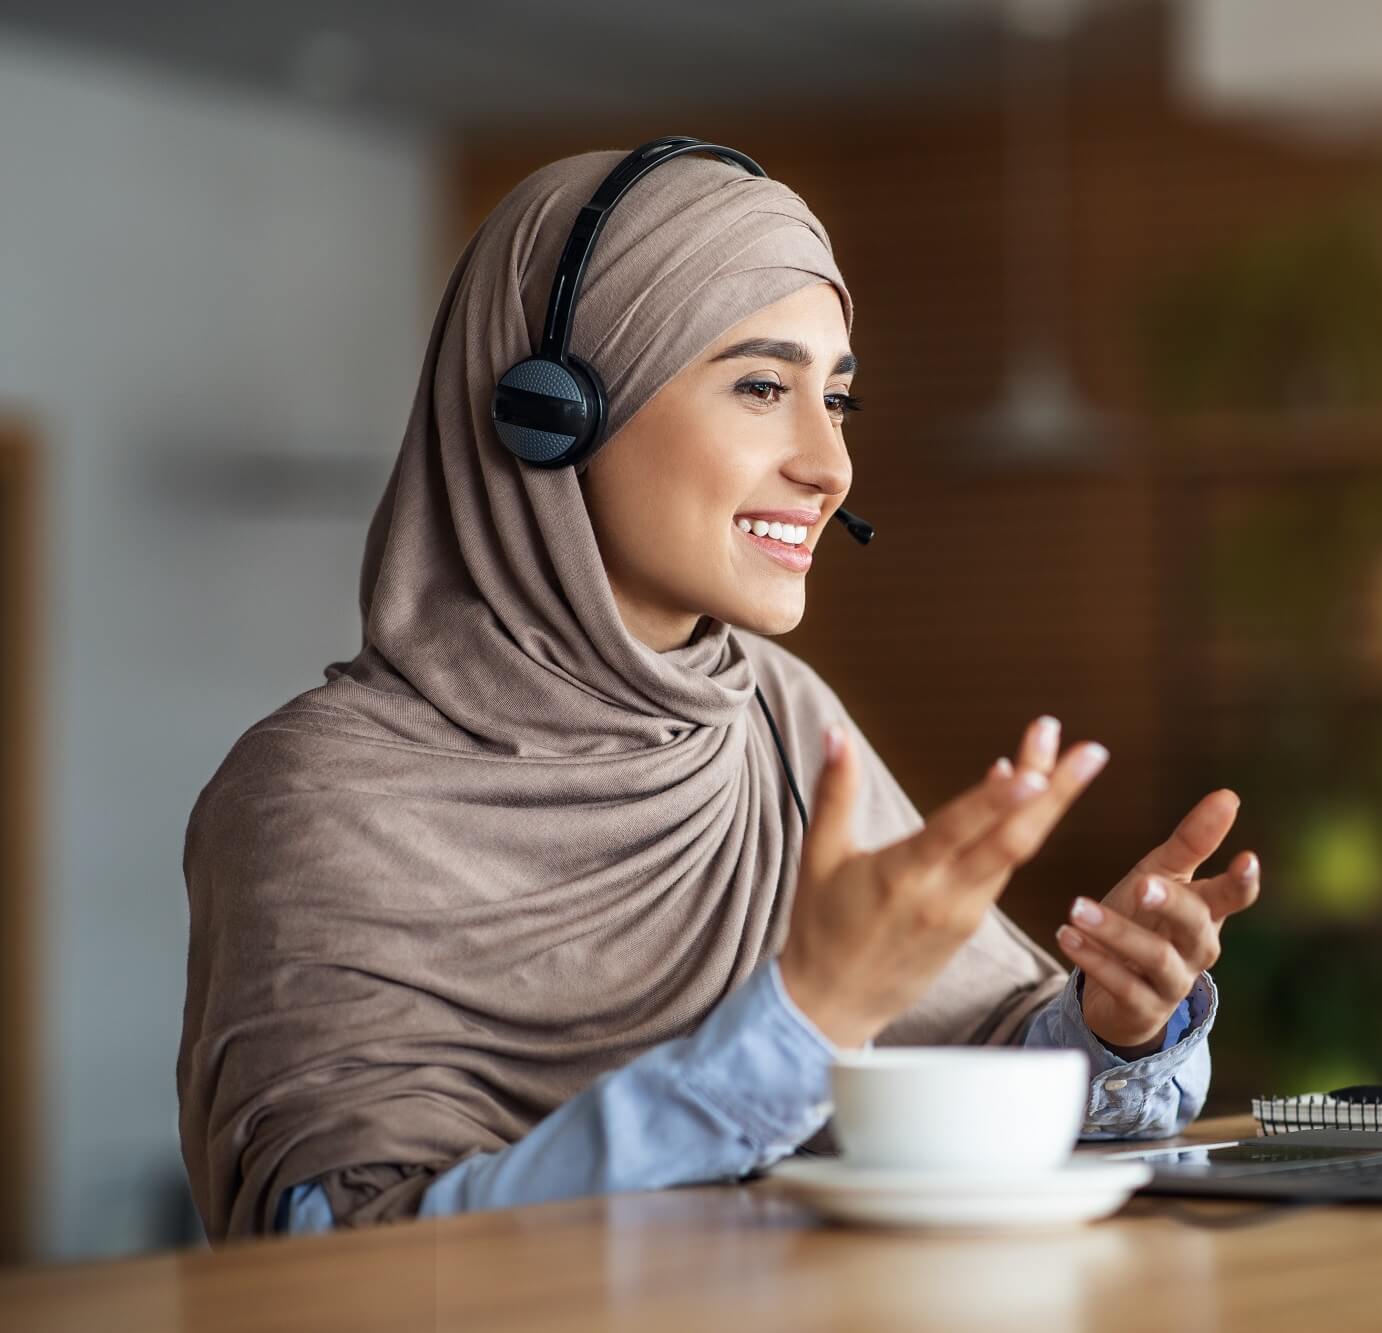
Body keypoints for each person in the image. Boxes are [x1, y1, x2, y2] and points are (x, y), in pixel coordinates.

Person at [175, 146, 1261, 1240]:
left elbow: (961, 1075)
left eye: (835, 398)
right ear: (550, 417)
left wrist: (1113, 1021)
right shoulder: (314, 795)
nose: (830, 465)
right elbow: (349, 1259)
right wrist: (806, 1016)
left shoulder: (778, 723)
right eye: (759, 387)